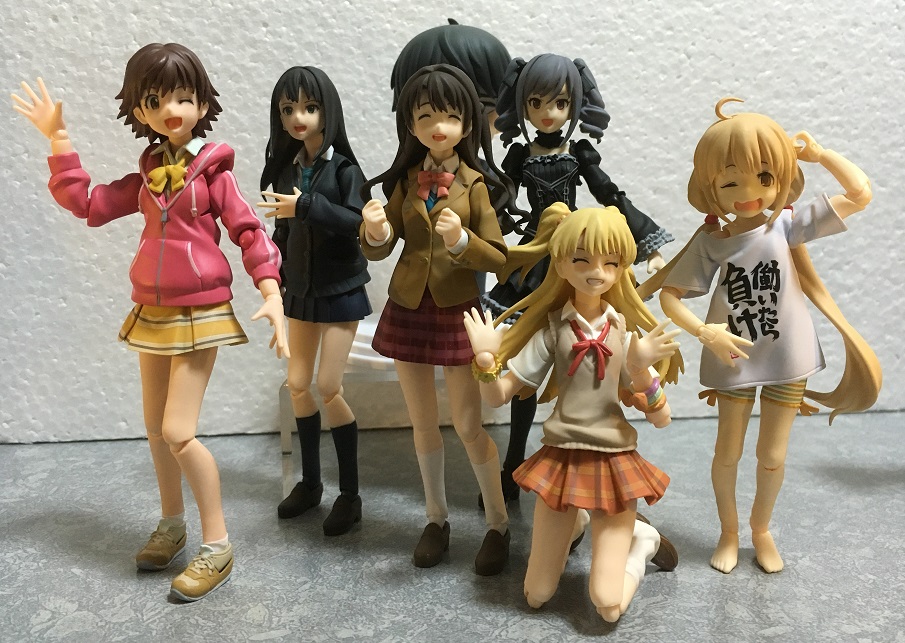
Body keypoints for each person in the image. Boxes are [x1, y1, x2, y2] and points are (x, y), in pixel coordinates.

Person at [14, 43, 288, 601]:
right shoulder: (145, 177)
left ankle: (218, 545)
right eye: (157, 99)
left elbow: (249, 231)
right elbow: (89, 204)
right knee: (156, 429)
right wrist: (58, 140)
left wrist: (271, 291)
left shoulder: (214, 173)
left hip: (201, 308)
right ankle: (171, 523)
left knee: (179, 430)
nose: (171, 110)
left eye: (184, 98)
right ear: (139, 110)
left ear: (202, 104)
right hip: (152, 308)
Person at [645, 98, 880, 574]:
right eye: (731, 182)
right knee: (727, 452)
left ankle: (761, 529)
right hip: (732, 354)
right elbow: (669, 296)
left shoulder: (785, 226)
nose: (748, 193)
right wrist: (704, 332)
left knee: (772, 455)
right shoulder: (712, 240)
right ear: (710, 186)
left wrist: (821, 154)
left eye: (764, 178)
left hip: (787, 355)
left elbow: (860, 194)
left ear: (781, 178)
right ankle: (729, 532)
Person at [464, 203, 680, 621]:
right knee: (536, 594)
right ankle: (579, 520)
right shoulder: (553, 330)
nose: (596, 272)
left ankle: (642, 544)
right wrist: (486, 361)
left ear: (621, 269)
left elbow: (661, 417)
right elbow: (498, 396)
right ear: (561, 265)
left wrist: (640, 371)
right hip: (562, 458)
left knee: (607, 604)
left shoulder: (625, 333)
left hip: (613, 459)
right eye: (582, 260)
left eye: (610, 262)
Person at [359, 64, 516, 575]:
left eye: (449, 116)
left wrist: (462, 240)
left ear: (468, 123)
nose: (438, 127)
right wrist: (376, 231)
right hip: (409, 306)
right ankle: (435, 518)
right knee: (422, 423)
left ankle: (498, 524)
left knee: (469, 425)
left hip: (457, 311)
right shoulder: (407, 180)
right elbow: (382, 245)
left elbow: (498, 255)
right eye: (425, 116)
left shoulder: (476, 184)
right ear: (410, 123)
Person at [258, 66, 370, 536]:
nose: (298, 117)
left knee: (328, 385)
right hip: (301, 291)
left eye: (309, 107)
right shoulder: (287, 169)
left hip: (341, 290)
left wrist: (304, 205)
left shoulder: (344, 170)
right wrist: (272, 278)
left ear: (328, 111)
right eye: (288, 109)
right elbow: (282, 234)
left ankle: (350, 494)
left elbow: (355, 222)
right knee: (298, 384)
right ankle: (310, 483)